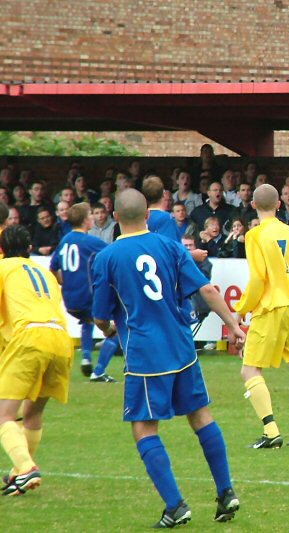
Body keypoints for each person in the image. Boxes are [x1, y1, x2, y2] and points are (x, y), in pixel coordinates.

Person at [91, 189, 246, 526]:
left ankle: (175, 506)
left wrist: (108, 332)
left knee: (144, 428)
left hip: (147, 355)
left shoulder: (108, 257)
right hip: (181, 347)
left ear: (115, 218)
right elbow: (205, 289)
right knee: (201, 417)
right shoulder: (171, 246)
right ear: (148, 215)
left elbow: (100, 315)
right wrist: (233, 325)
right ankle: (226, 491)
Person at [234, 184, 289, 448]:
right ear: (278, 205)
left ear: (253, 206)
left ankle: (271, 431)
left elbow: (259, 278)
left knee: (250, 369)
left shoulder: (254, 236)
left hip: (271, 307)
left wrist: (241, 309)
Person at [0, 225, 74, 496]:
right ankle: (21, 473)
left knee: (3, 415)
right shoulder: (44, 273)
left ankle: (26, 467)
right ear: (30, 248)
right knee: (33, 413)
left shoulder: (3, 269)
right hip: (61, 339)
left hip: (30, 337)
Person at [49, 203, 120, 382]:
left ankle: (86, 358)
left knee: (86, 322)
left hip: (70, 299)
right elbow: (113, 252)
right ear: (86, 220)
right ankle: (99, 371)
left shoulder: (64, 241)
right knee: (120, 326)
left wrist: (63, 282)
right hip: (87, 295)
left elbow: (52, 267)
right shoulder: (88, 241)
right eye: (90, 215)